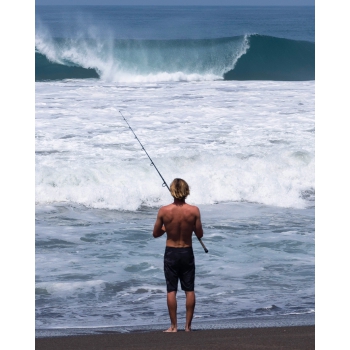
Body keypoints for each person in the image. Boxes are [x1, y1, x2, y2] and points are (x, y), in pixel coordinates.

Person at [153, 178, 204, 332]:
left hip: (171, 252)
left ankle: (173, 326)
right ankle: (188, 327)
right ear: (186, 190)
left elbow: (155, 233)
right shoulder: (194, 210)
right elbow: (200, 233)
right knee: (189, 290)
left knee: (171, 290)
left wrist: (166, 228)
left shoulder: (164, 211)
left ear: (172, 191)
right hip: (187, 252)